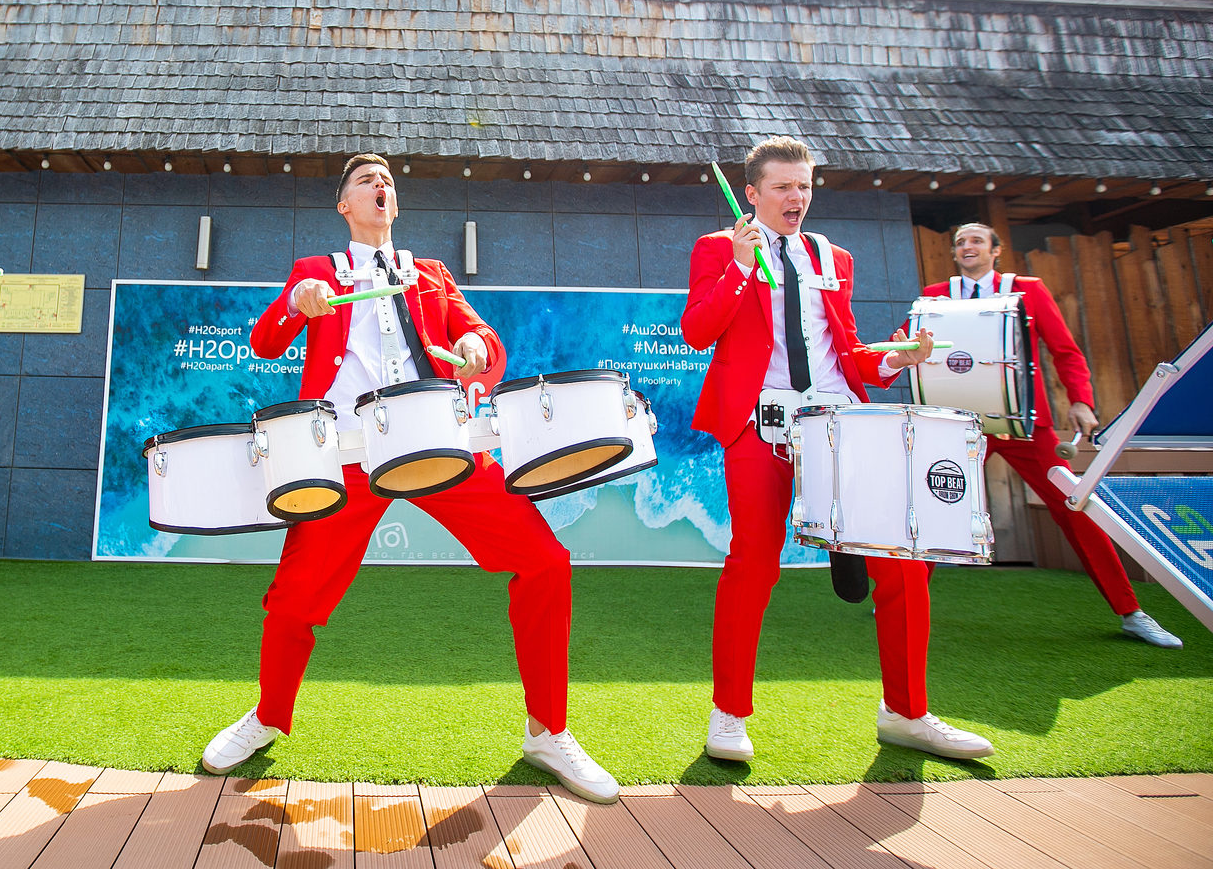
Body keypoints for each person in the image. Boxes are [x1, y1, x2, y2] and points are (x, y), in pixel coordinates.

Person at [199, 153, 620, 803]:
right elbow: (264, 341)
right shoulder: (317, 272)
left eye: (388, 181)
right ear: (344, 205)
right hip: (346, 450)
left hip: (436, 439)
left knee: (544, 561)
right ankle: (265, 718)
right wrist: (296, 304)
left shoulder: (428, 273)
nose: (380, 186)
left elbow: (482, 340)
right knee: (294, 598)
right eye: (366, 181)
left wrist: (478, 349)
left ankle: (548, 731)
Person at [682, 137, 995, 763]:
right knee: (754, 562)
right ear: (752, 193)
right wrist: (741, 268)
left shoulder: (834, 256)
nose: (797, 198)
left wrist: (894, 356)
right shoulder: (718, 248)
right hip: (761, 424)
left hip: (841, 422)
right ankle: (728, 715)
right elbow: (697, 332)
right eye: (783, 187)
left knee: (903, 559)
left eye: (804, 186)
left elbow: (844, 349)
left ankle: (906, 713)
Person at [927, 223, 1180, 648]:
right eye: (960, 243)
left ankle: (1131, 612)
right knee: (933, 503)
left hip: (1026, 425)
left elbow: (1065, 350)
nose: (966, 247)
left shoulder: (1027, 289)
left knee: (1073, 506)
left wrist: (1081, 400)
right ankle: (901, 595)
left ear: (995, 250)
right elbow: (914, 350)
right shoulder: (937, 294)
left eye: (975, 241)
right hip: (964, 423)